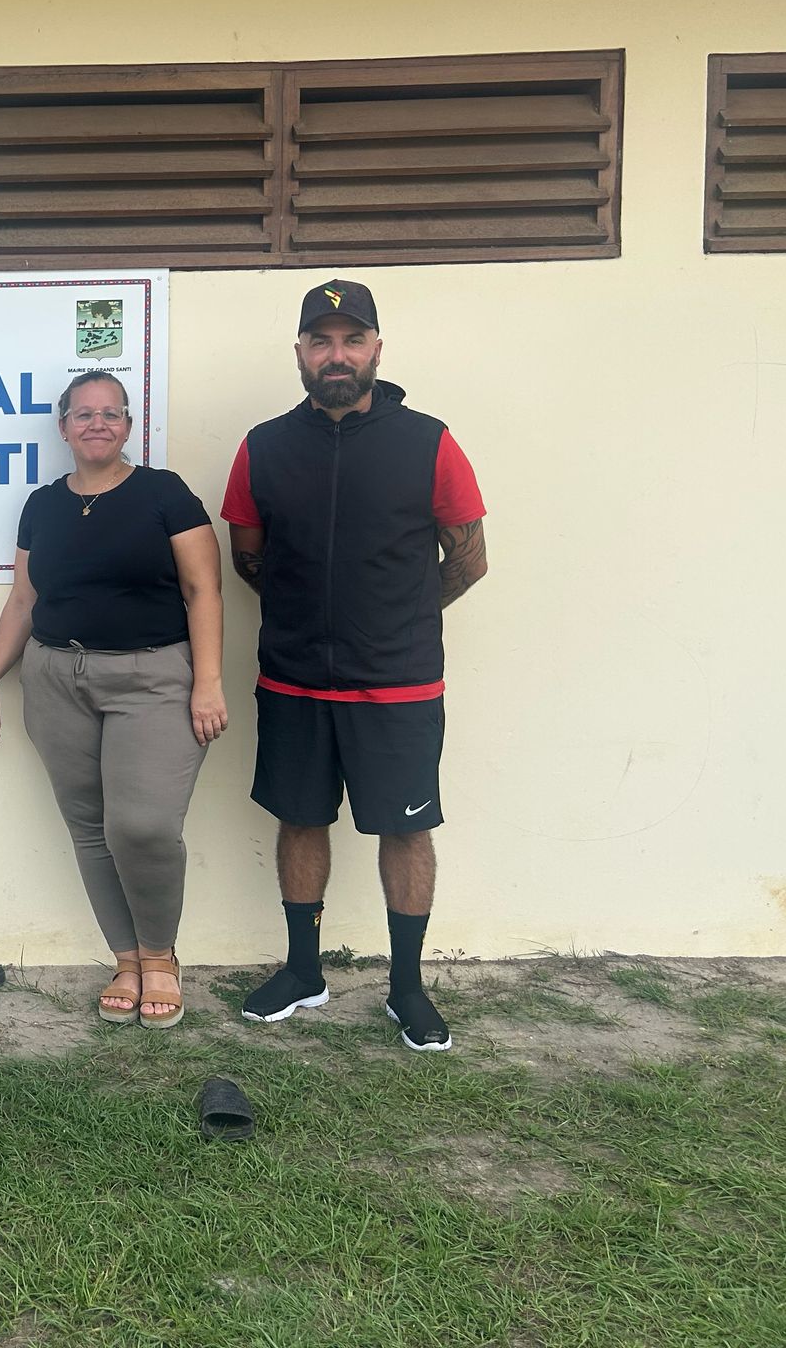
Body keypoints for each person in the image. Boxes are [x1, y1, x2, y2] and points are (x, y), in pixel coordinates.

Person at [222, 278, 488, 1053]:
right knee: (300, 818)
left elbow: (468, 561)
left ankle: (407, 988)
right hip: (294, 679)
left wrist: (395, 620)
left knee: (404, 831)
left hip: (398, 683)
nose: (336, 354)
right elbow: (248, 555)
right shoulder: (263, 446)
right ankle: (304, 971)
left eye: (352, 339)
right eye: (320, 341)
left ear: (376, 349)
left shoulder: (429, 441)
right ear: (300, 354)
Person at [0, 370, 228, 1027]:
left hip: (154, 679)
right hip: (56, 678)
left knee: (140, 826)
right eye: (83, 414)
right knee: (89, 827)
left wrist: (208, 682)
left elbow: (204, 591)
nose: (97, 423)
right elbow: (26, 599)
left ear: (127, 427)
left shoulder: (164, 495)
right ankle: (126, 959)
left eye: (111, 413)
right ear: (62, 427)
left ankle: (160, 958)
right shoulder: (43, 505)